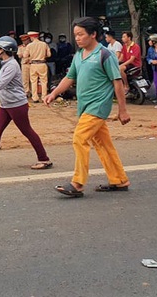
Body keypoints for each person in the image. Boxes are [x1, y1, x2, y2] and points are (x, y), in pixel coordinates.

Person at [45, 17, 131, 197]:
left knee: (79, 138)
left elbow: (117, 82)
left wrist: (122, 110)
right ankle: (119, 180)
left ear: (93, 35)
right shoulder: (79, 55)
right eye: (76, 35)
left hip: (98, 106)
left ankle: (77, 183)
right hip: (84, 107)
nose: (77, 38)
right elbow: (69, 78)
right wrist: (54, 93)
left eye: (81, 34)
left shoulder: (105, 55)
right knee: (103, 144)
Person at [0, 36, 53, 171]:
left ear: (3, 50)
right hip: (6, 104)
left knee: (27, 131)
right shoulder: (6, 64)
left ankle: (44, 159)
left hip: (17, 104)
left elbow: (1, 84)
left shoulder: (12, 65)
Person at [26, 31, 51, 102]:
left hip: (33, 65)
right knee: (44, 81)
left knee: (33, 81)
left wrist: (30, 58)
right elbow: (49, 55)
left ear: (32, 37)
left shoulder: (29, 45)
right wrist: (43, 56)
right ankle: (44, 97)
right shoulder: (44, 44)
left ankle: (35, 98)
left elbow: (25, 55)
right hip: (42, 64)